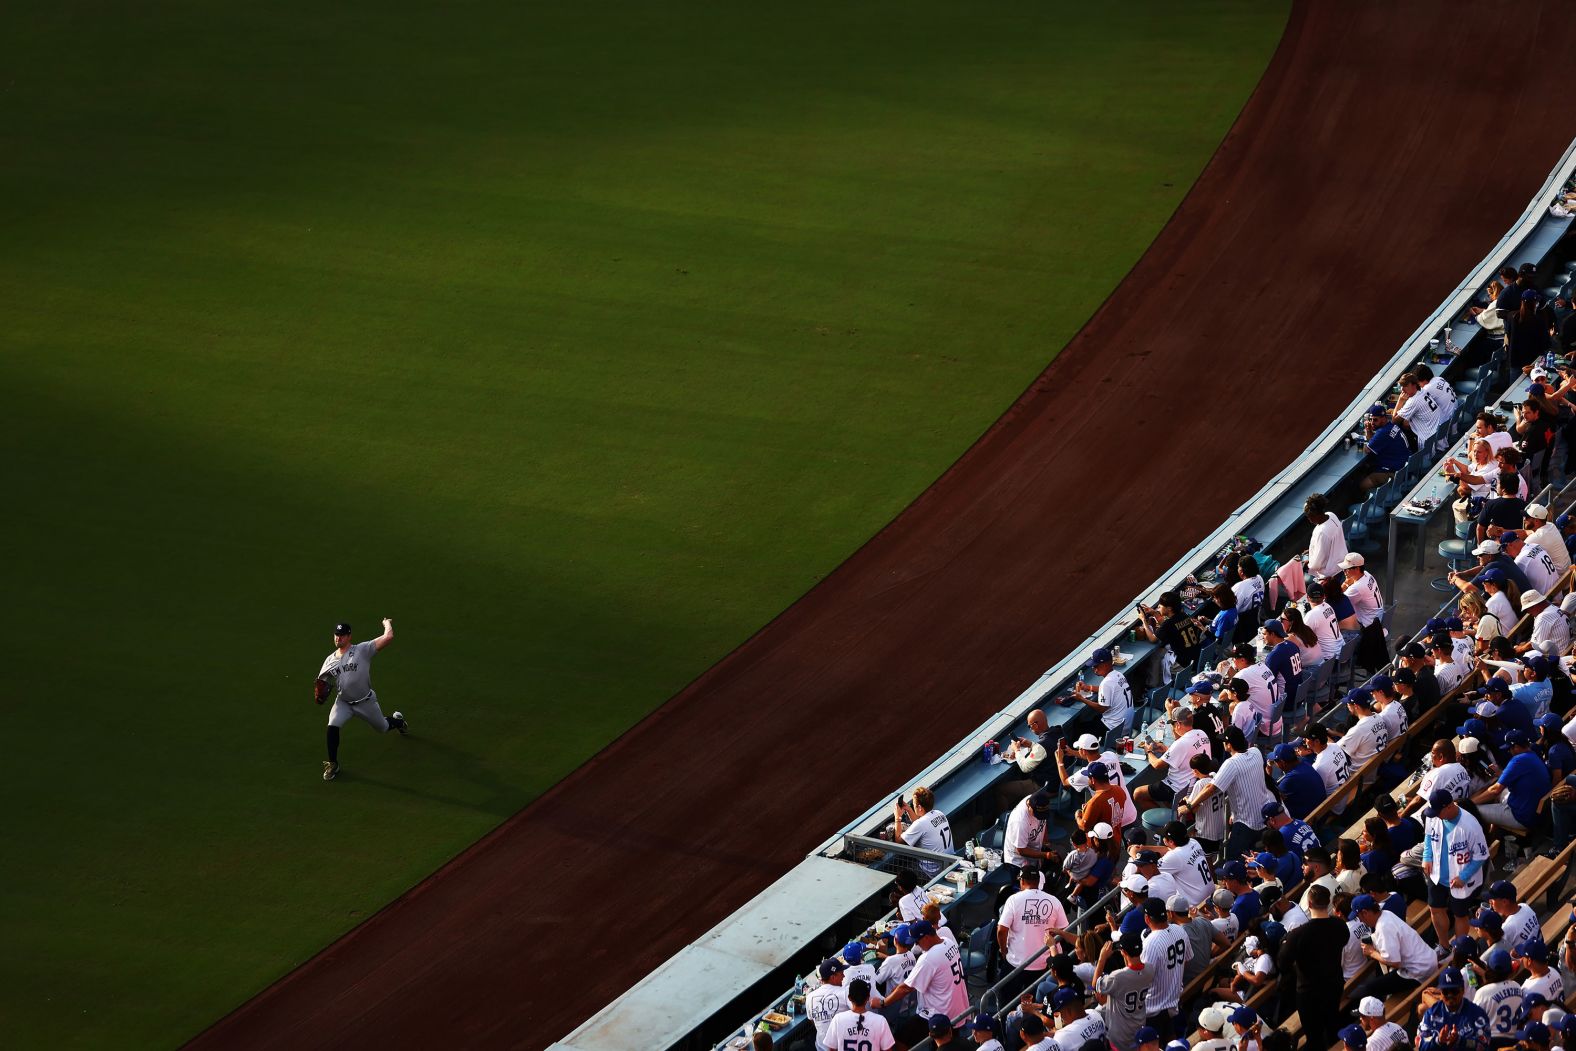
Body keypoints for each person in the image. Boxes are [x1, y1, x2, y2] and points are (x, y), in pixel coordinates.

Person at [318, 619, 405, 781]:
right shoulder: (329, 660)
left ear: (349, 636)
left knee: (383, 727)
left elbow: (388, 637)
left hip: (366, 702)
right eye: (337, 635)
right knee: (332, 726)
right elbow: (321, 682)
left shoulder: (362, 650)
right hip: (343, 703)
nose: (339, 638)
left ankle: (398, 722)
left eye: (342, 635)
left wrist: (387, 623)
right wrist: (319, 692)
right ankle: (333, 764)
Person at [1278, 882, 1352, 1051]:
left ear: (1309, 904)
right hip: (1334, 984)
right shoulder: (1339, 925)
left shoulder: (1298, 934)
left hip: (1308, 992)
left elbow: (1282, 963)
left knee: (1314, 1036)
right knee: (1333, 1026)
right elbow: (1343, 940)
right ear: (1328, 902)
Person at [1192, 727, 1274, 860]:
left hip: (1246, 823)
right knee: (1256, 858)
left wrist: (1190, 805)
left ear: (1229, 745)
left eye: (1225, 741)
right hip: (1264, 816)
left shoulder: (1231, 763)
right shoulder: (1256, 751)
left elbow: (1211, 788)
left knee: (1232, 860)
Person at [1421, 788, 1489, 947]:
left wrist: (1464, 877)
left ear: (1449, 806)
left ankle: (1460, 949)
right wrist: (1427, 857)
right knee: (1435, 909)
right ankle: (1444, 946)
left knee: (1460, 915)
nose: (1435, 815)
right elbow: (1428, 835)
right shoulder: (1434, 816)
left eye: (1438, 811)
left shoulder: (1470, 825)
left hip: (1460, 879)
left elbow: (1481, 855)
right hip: (1436, 874)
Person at [1353, 892, 1438, 1000]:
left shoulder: (1383, 927)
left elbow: (1394, 962)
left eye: (1359, 916)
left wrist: (1372, 952)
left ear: (1365, 913)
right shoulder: (1386, 913)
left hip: (1420, 972)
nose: (1360, 920)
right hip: (1428, 960)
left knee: (1367, 988)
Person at [997, 867, 1066, 994]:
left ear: (1022, 881)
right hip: (1043, 964)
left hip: (1015, 963)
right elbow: (1063, 930)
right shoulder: (1054, 901)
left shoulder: (1013, 900)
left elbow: (1001, 930)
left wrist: (1003, 950)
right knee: (1035, 1004)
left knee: (1006, 1001)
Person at [883, 920, 967, 1020]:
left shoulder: (928, 958)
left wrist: (883, 1002)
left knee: (901, 1034)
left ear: (926, 937)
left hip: (940, 1015)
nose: (917, 945)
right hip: (959, 1007)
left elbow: (906, 988)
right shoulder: (947, 941)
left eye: (917, 942)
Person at [1471, 731, 1550, 834]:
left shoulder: (1517, 760)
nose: (1509, 751)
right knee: (1498, 795)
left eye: (1509, 748)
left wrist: (1469, 803)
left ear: (1516, 747)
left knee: (1472, 810)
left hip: (1521, 817)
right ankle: (1497, 836)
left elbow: (1495, 790)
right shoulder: (1532, 754)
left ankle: (1491, 841)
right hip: (1534, 811)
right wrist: (1501, 774)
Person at [1134, 707, 1209, 811]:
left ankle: (1166, 821)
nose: (1173, 727)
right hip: (1193, 784)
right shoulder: (1202, 733)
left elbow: (1157, 765)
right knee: (1165, 798)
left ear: (1178, 724)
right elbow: (1187, 752)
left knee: (1138, 793)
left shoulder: (1180, 743)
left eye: (1173, 724)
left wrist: (1149, 752)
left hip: (1177, 788)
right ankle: (1172, 812)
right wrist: (1166, 749)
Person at [1092, 933, 1154, 1051]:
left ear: (1123, 952)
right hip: (1138, 1026)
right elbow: (1133, 972)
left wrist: (1102, 958)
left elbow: (1095, 984)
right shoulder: (1150, 969)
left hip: (1119, 1036)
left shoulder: (1117, 977)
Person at [1138, 897, 1189, 1041]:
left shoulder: (1150, 943)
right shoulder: (1180, 930)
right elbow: (1187, 960)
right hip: (1174, 999)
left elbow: (1143, 978)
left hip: (1154, 1009)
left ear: (1147, 918)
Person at [1071, 647, 1133, 738]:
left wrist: (1082, 699)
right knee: (1095, 719)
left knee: (1078, 729)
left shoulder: (1107, 683)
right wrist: (1088, 687)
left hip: (1114, 730)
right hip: (1127, 725)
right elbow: (1109, 690)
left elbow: (1102, 709)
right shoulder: (1118, 675)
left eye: (1096, 666)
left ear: (1105, 664)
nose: (1093, 668)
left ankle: (1078, 751)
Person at [1137, 592, 1205, 672]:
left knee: (1157, 657)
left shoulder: (1168, 624)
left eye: (1161, 605)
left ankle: (1156, 683)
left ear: (1169, 608)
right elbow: (1169, 626)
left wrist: (1143, 620)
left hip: (1182, 665)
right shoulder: (1184, 615)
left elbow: (1152, 639)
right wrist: (1155, 613)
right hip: (1196, 659)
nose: (1158, 607)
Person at [893, 786, 953, 876]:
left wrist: (897, 818)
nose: (913, 806)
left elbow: (898, 841)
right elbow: (920, 823)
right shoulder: (939, 813)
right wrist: (909, 809)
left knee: (900, 872)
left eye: (913, 804)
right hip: (949, 864)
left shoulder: (921, 824)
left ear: (920, 807)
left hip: (932, 872)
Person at [823, 979, 895, 1051]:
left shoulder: (838, 1019)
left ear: (849, 998)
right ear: (868, 998)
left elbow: (832, 1049)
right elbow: (888, 1049)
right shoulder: (880, 1021)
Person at [1474, 947, 1526, 1042]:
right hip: (1516, 1041)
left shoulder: (1482, 993)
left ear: (1489, 969)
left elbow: (1474, 1022)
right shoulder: (1517, 986)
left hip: (1493, 1043)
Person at [1004, 790, 1059, 874]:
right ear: (1029, 806)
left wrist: (1046, 843)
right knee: (1026, 884)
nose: (1039, 818)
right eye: (1037, 815)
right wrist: (1046, 855)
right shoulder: (1020, 821)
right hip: (1017, 861)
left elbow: (1043, 824)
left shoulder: (1038, 801)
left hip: (1034, 850)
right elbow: (1021, 850)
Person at [1361, 402, 1412, 490]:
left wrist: (1367, 433)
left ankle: (1363, 499)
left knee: (1362, 484)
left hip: (1395, 473)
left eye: (1375, 420)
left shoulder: (1383, 432)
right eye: (1371, 419)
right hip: (1405, 468)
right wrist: (1369, 430)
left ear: (1383, 418)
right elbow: (1374, 442)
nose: (1372, 422)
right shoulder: (1391, 426)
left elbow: (1367, 450)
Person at [807, 958, 851, 1046]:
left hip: (821, 1047)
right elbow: (857, 1013)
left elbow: (812, 1020)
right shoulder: (845, 992)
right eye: (841, 973)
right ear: (833, 977)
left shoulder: (810, 997)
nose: (844, 976)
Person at [1305, 494, 1349, 580]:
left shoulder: (1322, 532)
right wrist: (1311, 551)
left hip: (1331, 574)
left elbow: (1316, 565)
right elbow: (1328, 544)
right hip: (1342, 561)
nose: (1309, 519)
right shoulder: (1331, 515)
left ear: (1315, 514)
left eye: (1309, 516)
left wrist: (1308, 564)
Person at [1521, 590, 1571, 657]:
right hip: (1565, 651)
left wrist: (1517, 649)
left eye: (1527, 609)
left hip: (1558, 659)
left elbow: (1534, 645)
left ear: (1534, 605)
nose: (1528, 613)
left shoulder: (1543, 617)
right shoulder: (1553, 608)